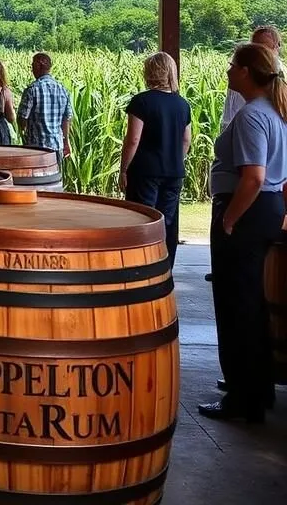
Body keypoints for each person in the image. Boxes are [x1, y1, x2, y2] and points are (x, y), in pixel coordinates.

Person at [198, 43, 287, 424]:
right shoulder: (278, 112)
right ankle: (259, 390)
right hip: (267, 210)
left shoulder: (252, 116)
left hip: (246, 211)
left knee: (236, 306)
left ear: (249, 72)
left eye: (234, 65)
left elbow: (253, 177)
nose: (229, 71)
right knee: (253, 304)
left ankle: (242, 399)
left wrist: (230, 219)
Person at [118, 52, 192, 266]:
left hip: (145, 171)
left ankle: (141, 265)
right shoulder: (182, 104)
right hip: (174, 172)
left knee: (142, 220)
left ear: (149, 72)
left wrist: (124, 169)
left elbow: (133, 139)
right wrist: (176, 161)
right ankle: (163, 266)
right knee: (166, 222)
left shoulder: (141, 102)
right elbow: (186, 140)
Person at [221, 25, 282, 131]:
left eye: (263, 47)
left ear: (277, 47)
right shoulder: (239, 80)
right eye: (254, 46)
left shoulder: (251, 116)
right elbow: (228, 117)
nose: (257, 52)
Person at [17, 52, 73, 159]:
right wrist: (66, 141)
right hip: (56, 147)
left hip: (35, 148)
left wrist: (24, 130)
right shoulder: (63, 90)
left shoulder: (32, 89)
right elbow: (67, 119)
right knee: (56, 175)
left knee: (37, 176)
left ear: (40, 65)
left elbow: (22, 118)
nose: (32, 70)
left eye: (33, 66)